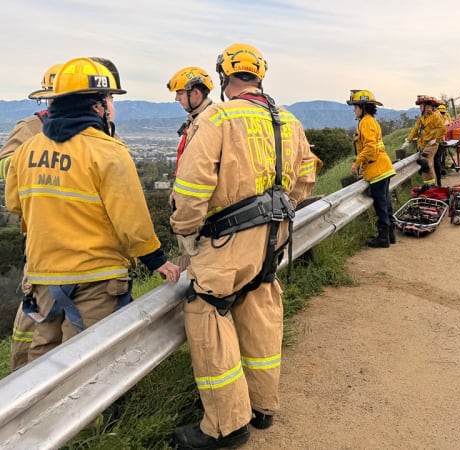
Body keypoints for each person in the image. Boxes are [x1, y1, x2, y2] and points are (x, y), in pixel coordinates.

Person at [169, 43, 319, 450]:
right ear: (259, 76)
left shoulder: (219, 116)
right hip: (274, 236)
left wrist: (186, 232)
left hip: (228, 239)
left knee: (206, 309)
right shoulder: (289, 121)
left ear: (223, 78)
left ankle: (225, 424)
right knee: (261, 310)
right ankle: (262, 406)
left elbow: (191, 186)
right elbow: (306, 179)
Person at [4, 57, 181, 368]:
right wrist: (157, 260)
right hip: (95, 279)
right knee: (85, 368)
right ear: (97, 106)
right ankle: (95, 419)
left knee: (41, 364)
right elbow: (132, 222)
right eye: (109, 98)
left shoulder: (27, 151)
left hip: (44, 277)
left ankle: (40, 419)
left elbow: (16, 205)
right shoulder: (108, 151)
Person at [1, 63, 61, 371]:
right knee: (33, 321)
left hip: (80, 244)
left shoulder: (93, 128)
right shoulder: (30, 128)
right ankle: (20, 384)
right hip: (41, 240)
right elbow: (7, 169)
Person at [348, 89, 396, 248]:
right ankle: (390, 235)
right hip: (382, 167)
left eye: (355, 107)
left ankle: (383, 238)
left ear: (363, 107)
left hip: (377, 169)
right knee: (386, 202)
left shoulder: (366, 122)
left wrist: (356, 164)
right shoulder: (371, 121)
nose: (354, 110)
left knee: (380, 204)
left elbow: (369, 147)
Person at [166, 66, 214, 176]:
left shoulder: (208, 122)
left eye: (180, 93)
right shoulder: (196, 119)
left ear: (196, 93)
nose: (176, 98)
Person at [401, 95, 445, 188]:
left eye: (421, 106)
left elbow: (442, 128)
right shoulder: (421, 118)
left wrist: (436, 139)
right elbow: (415, 129)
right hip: (423, 144)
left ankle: (431, 185)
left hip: (431, 144)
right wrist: (408, 140)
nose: (420, 107)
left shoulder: (434, 116)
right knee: (428, 165)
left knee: (425, 161)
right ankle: (430, 185)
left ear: (427, 107)